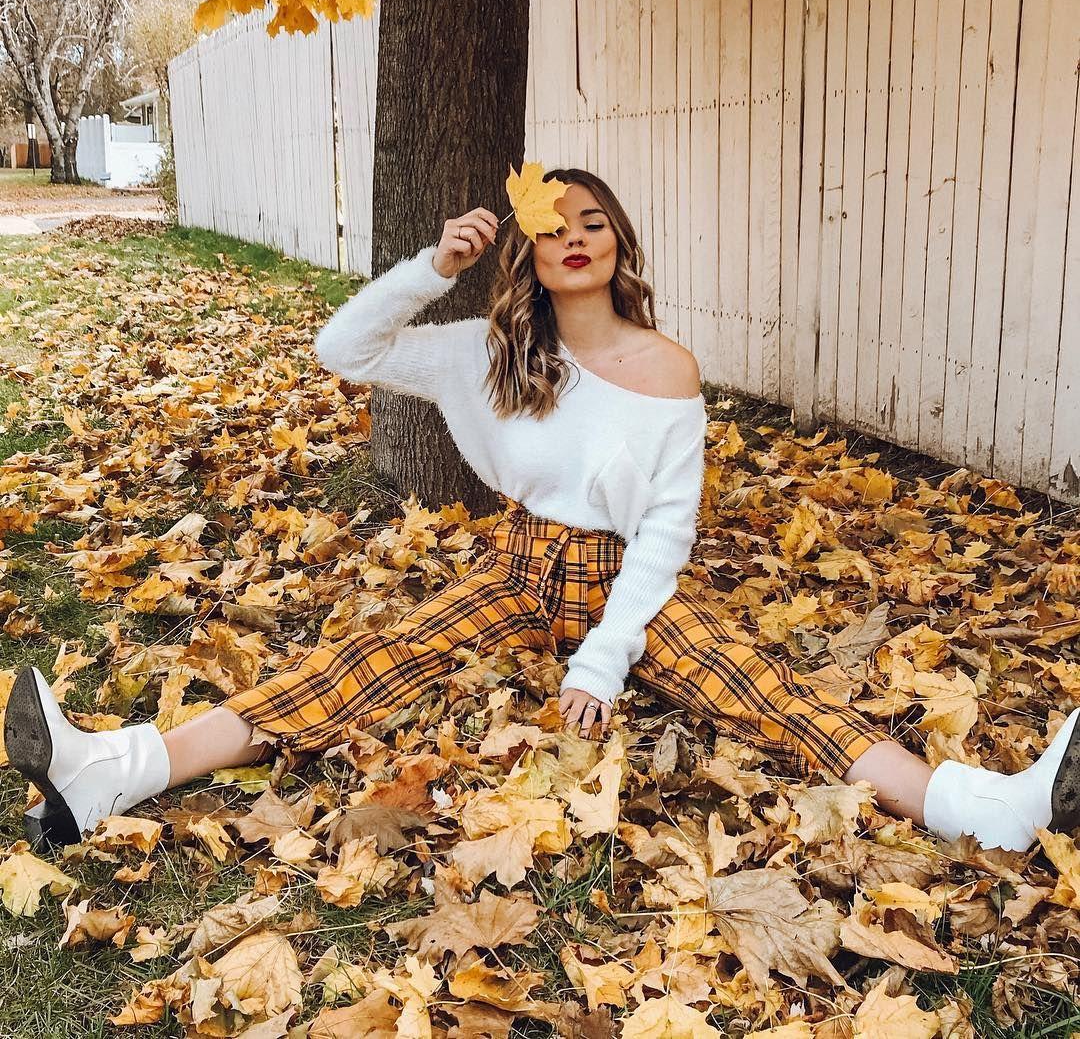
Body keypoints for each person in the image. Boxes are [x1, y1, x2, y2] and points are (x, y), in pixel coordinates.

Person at [6, 169, 1080, 856]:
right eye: (554, 228)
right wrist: (436, 266)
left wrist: (604, 658)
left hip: (630, 582)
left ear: (620, 242)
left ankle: (986, 809)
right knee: (362, 666)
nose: (576, 238)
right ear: (527, 250)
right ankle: (112, 772)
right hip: (516, 568)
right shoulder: (488, 354)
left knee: (762, 689)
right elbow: (344, 349)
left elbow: (668, 530)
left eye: (594, 222)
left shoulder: (668, 368)